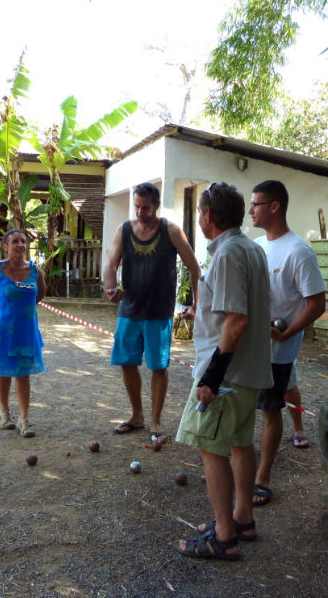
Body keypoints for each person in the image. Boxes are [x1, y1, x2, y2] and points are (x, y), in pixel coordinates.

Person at [176, 182, 272, 560]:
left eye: (199, 212)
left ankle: (224, 535)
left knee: (210, 447)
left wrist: (211, 378)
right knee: (239, 443)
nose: (199, 218)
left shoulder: (231, 253)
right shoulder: (250, 249)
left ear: (208, 216)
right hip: (247, 371)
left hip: (227, 375)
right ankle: (242, 518)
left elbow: (236, 321)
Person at [104, 182, 200, 444]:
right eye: (136, 206)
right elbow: (111, 265)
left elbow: (195, 269)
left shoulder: (171, 230)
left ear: (156, 205)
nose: (140, 212)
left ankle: (156, 422)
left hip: (159, 311)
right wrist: (111, 288)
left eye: (145, 207)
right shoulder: (124, 230)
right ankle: (137, 415)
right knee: (126, 361)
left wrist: (197, 304)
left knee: (158, 366)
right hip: (130, 309)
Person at [249, 180, 325, 506]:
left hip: (277, 351)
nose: (250, 210)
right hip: (247, 346)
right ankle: (241, 466)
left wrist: (288, 332)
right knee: (240, 409)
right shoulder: (254, 246)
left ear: (275, 206)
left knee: (269, 410)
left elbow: (317, 303)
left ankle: (262, 477)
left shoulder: (299, 251)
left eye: (257, 204)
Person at [0, 229, 46, 437]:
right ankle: (4, 413)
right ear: (5, 246)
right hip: (3, 330)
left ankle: (24, 420)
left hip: (26, 330)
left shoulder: (34, 271)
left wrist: (25, 308)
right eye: (15, 241)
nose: (20, 245)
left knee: (23, 373)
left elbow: (40, 294)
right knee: (3, 371)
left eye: (23, 241)